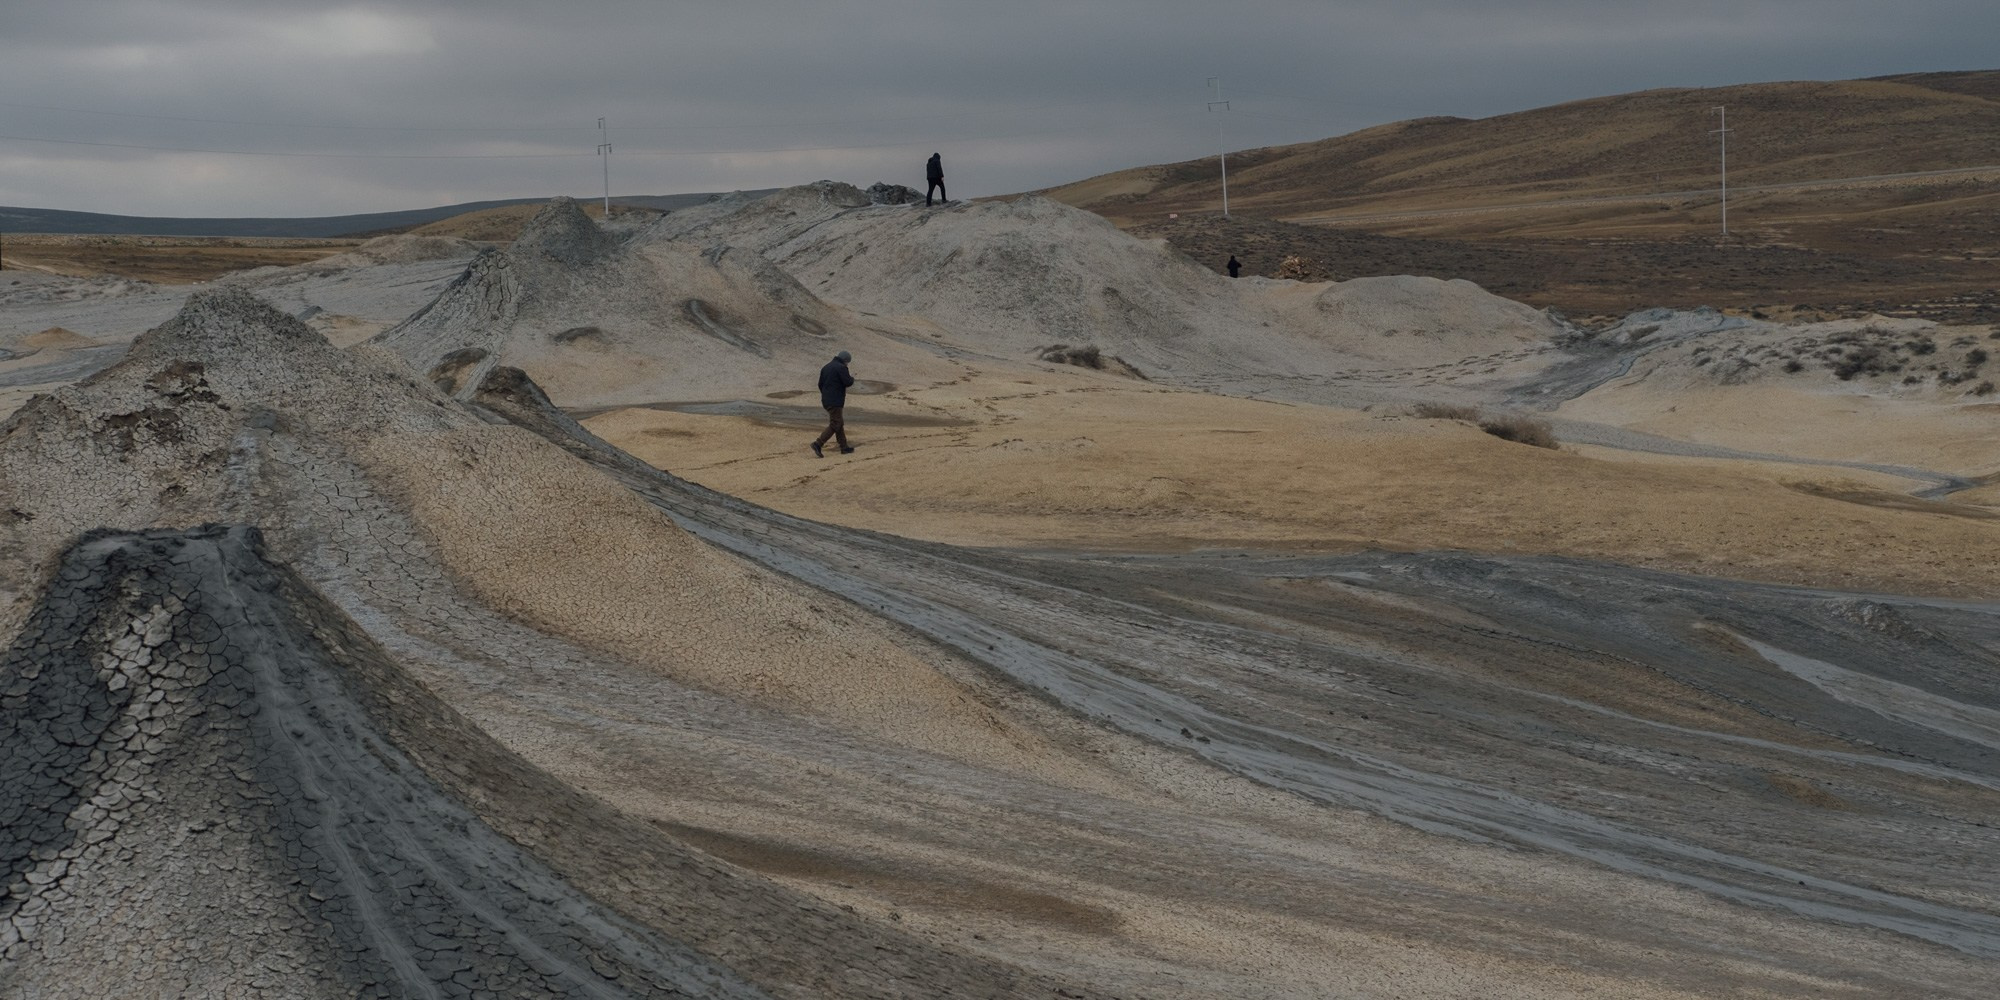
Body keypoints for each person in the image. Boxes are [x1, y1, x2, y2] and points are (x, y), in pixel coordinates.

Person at [812, 350, 856, 457]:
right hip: (835, 400)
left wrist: (826, 395)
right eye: (847, 362)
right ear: (845, 360)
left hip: (827, 400)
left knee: (838, 422)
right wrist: (852, 377)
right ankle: (818, 443)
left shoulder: (826, 367)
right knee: (836, 423)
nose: (847, 364)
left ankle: (844, 447)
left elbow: (820, 384)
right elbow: (847, 382)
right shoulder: (841, 368)